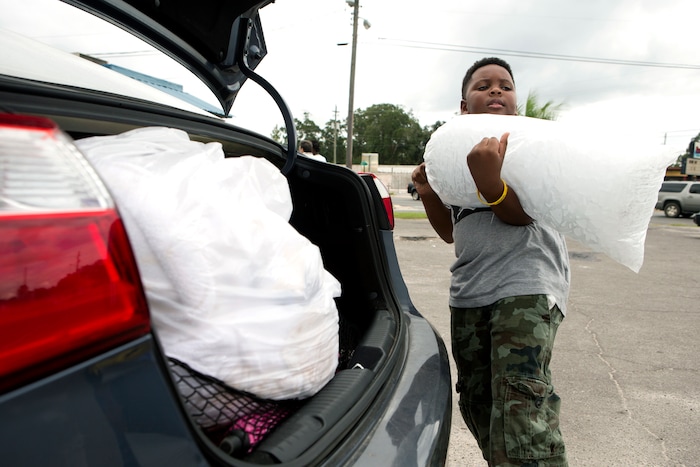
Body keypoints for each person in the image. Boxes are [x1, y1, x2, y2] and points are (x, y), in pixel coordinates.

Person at [412, 57, 570, 466]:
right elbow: (452, 231)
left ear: (515, 101)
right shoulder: (452, 153)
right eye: (482, 86)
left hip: (524, 286)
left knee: (520, 405)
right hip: (469, 292)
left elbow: (523, 215)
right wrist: (428, 192)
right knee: (479, 401)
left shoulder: (527, 143)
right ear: (463, 106)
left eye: (505, 85)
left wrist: (491, 183)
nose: (495, 90)